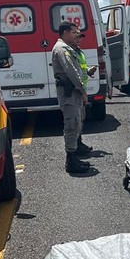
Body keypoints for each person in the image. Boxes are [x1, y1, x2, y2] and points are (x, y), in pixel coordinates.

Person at [52, 21, 96, 174]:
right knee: (71, 125)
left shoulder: (68, 49)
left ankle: (74, 156)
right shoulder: (62, 49)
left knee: (76, 123)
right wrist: (83, 91)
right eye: (73, 32)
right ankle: (71, 161)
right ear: (65, 33)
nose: (76, 35)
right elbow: (71, 72)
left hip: (73, 93)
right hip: (70, 94)